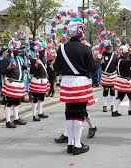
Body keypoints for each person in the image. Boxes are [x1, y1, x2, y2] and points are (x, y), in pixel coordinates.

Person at [54, 18, 100, 155]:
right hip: (81, 83)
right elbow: (93, 68)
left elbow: (56, 67)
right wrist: (98, 60)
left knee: (69, 113)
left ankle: (70, 144)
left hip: (67, 83)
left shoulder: (61, 48)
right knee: (79, 114)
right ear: (80, 32)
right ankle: (77, 144)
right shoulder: (86, 48)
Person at [0, 43, 27, 128]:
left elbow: (19, 68)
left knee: (17, 102)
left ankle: (16, 119)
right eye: (17, 50)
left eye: (19, 50)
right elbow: (2, 72)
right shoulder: (6, 59)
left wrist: (25, 67)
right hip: (11, 82)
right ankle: (8, 121)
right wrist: (9, 67)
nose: (19, 51)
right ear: (12, 50)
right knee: (9, 102)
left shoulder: (18, 58)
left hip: (18, 82)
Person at [112, 46, 131, 117]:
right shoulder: (124, 61)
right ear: (123, 53)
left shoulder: (118, 60)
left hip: (121, 80)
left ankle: (114, 111)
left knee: (120, 95)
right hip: (125, 81)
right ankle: (130, 110)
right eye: (127, 53)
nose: (128, 54)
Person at [29, 48, 50, 121]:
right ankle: (34, 115)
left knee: (42, 98)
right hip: (37, 82)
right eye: (42, 53)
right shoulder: (34, 60)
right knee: (35, 98)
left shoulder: (44, 61)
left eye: (44, 53)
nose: (44, 55)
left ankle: (40, 113)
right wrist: (36, 65)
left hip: (43, 81)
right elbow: (32, 71)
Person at [100, 40, 118, 112]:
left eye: (110, 47)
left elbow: (117, 64)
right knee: (105, 91)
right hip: (105, 76)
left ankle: (112, 105)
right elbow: (100, 64)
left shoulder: (115, 55)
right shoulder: (102, 55)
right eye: (108, 47)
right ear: (105, 48)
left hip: (113, 76)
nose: (109, 48)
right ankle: (104, 105)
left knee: (113, 91)